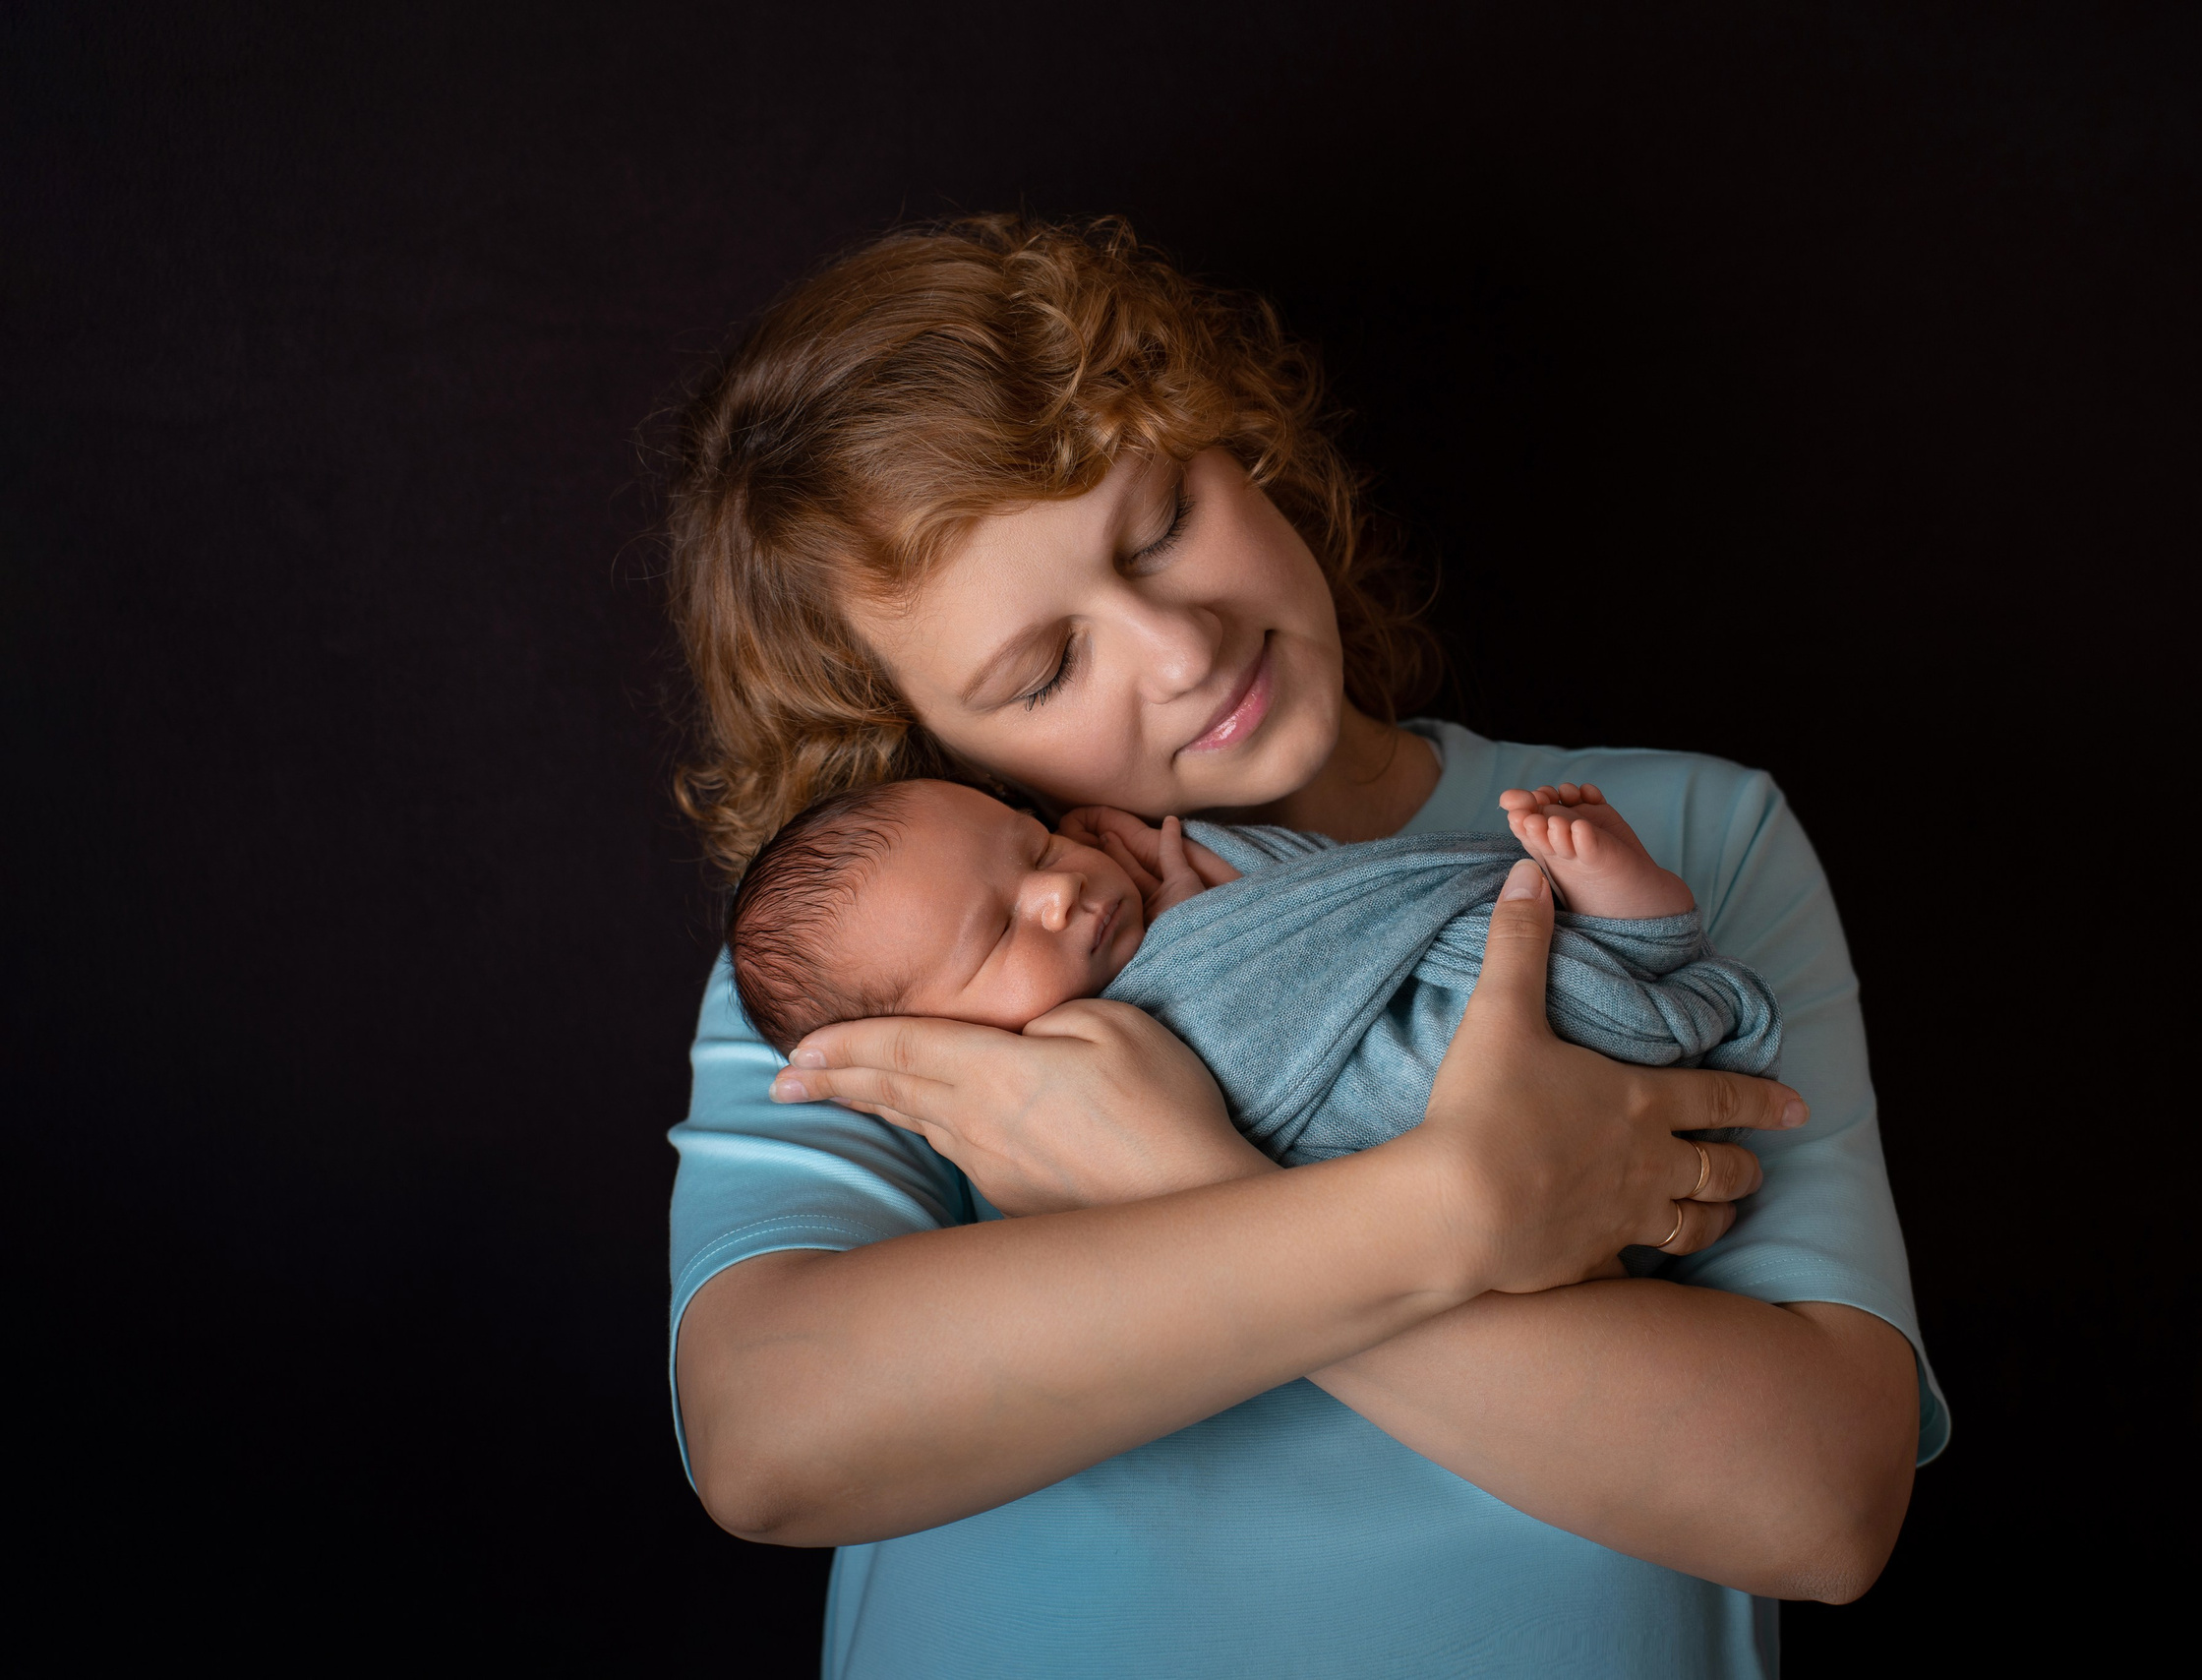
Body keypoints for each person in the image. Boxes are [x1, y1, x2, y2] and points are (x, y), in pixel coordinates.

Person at [665, 214, 1947, 1679]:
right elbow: (772, 1440)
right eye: (1046, 667)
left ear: (1240, 444)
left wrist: (1165, 1174)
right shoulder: (903, 964)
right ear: (923, 750)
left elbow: (1820, 1507)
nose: (1183, 647)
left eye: (1160, 526)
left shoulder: (1681, 832)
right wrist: (1457, 1206)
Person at [722, 776, 1784, 1175]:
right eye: (999, 935)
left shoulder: (1183, 878)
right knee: (1537, 1024)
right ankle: (1629, 971)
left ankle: (1629, 920)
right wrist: (1204, 943)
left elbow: (1335, 906)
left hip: (1467, 945)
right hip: (1440, 1095)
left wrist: (1213, 909)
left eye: (1035, 846)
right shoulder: (1044, 1103)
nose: (1059, 893)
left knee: (1552, 918)